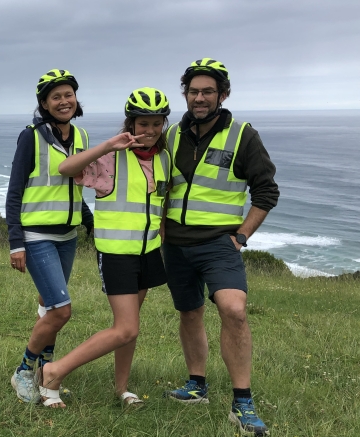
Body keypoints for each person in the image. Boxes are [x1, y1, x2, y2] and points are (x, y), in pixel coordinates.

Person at [161, 58, 279, 436]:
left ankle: (242, 401)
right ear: (186, 94)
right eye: (193, 91)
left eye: (207, 91)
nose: (199, 98)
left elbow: (266, 190)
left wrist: (242, 235)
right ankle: (196, 385)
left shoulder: (243, 135)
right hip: (175, 245)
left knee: (234, 310)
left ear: (222, 95)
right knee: (190, 313)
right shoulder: (172, 134)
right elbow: (157, 185)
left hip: (218, 244)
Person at [35, 87, 173, 408]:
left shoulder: (165, 158)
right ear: (130, 125)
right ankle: (54, 372)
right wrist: (109, 144)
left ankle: (122, 388)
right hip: (116, 254)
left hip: (148, 253)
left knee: (131, 328)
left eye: (156, 124)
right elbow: (67, 168)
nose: (150, 131)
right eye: (143, 124)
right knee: (125, 328)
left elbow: (160, 204)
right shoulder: (111, 159)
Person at [6, 69, 94, 404]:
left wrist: (89, 223)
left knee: (48, 307)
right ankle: (24, 371)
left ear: (76, 98)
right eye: (55, 97)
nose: (63, 101)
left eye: (68, 94)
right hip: (37, 235)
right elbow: (15, 191)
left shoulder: (81, 137)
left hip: (67, 235)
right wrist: (16, 242)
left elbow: (75, 189)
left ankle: (46, 374)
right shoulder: (31, 136)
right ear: (44, 103)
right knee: (61, 311)